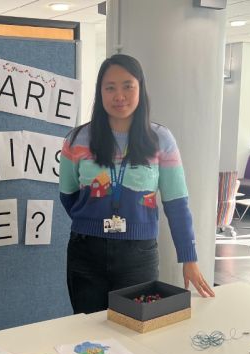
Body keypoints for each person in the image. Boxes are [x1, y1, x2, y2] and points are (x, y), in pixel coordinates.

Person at [58, 54, 215, 314]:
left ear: (140, 88)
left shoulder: (160, 139)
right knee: (87, 333)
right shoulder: (77, 139)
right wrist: (91, 219)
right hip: (86, 252)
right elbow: (68, 194)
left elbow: (176, 203)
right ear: (100, 93)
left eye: (127, 86)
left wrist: (189, 258)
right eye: (110, 88)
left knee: (134, 335)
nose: (119, 95)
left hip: (138, 254)